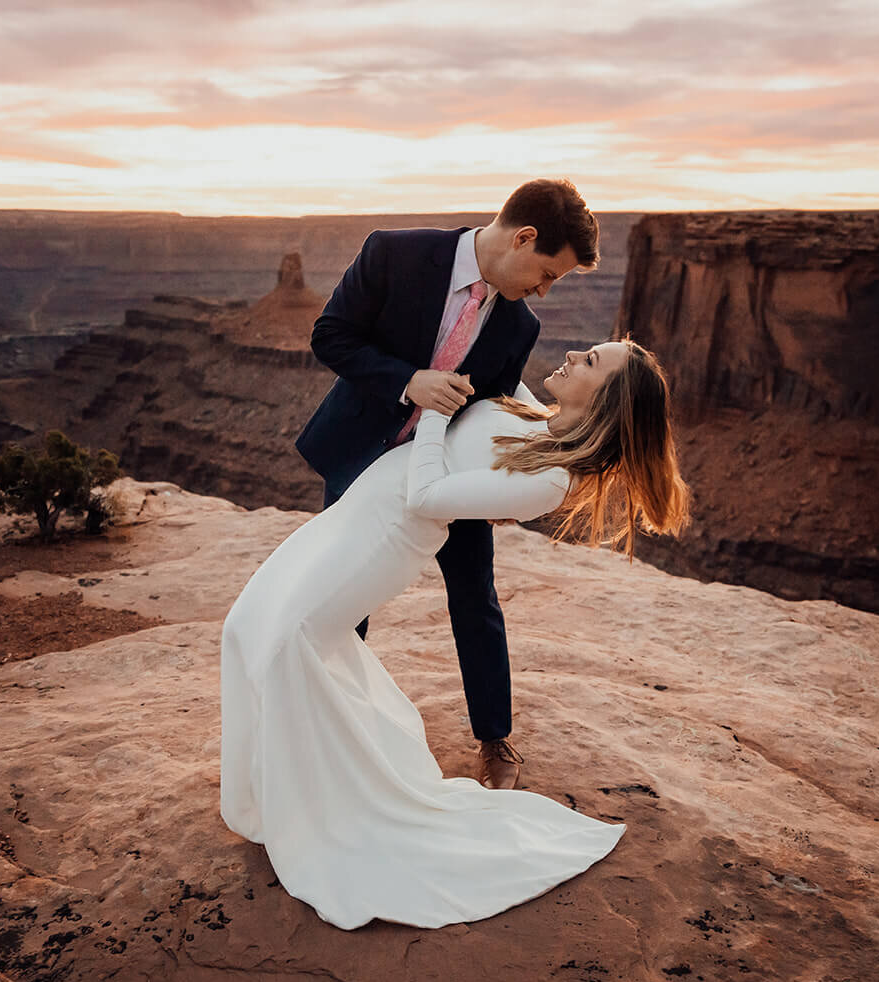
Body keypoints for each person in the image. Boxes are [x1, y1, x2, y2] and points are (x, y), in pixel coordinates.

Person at [220, 337, 690, 930]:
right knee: (249, 626)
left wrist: (437, 412)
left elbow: (426, 498)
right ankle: (288, 792)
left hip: (382, 538)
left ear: (607, 401)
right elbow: (499, 349)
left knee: (292, 644)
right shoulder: (532, 412)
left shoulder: (551, 477)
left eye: (590, 363)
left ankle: (315, 805)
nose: (571, 357)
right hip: (357, 516)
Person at [295, 178, 598, 790]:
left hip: (446, 474)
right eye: (547, 274)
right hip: (364, 457)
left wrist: (517, 476)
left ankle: (494, 740)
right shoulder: (394, 253)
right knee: (345, 590)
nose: (543, 290)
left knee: (474, 594)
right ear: (524, 237)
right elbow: (330, 335)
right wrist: (410, 380)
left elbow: (500, 402)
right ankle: (339, 717)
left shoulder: (520, 327)